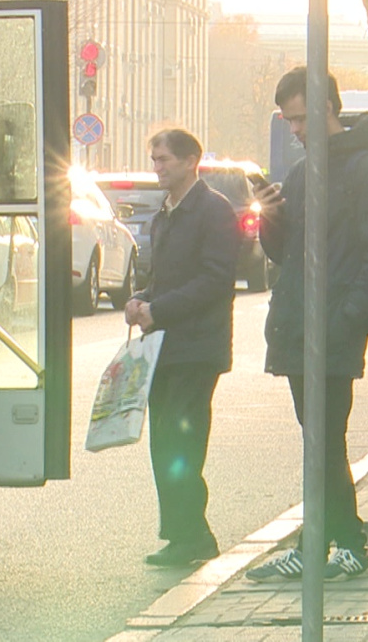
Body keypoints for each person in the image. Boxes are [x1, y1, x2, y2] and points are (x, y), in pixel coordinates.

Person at [246, 67, 368, 582]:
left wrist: (344, 319)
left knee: (323, 441)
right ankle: (325, 547)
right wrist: (270, 218)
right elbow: (286, 253)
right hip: (300, 327)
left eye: (299, 118)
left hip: (332, 330)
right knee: (319, 442)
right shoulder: (302, 172)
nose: (293, 129)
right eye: (288, 120)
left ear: (327, 109)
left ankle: (338, 547)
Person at [125, 128, 239, 567]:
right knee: (164, 443)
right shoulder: (164, 212)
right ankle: (180, 533)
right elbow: (161, 277)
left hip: (196, 348)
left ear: (192, 160)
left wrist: (161, 309)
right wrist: (138, 300)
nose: (157, 167)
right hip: (163, 347)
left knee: (184, 445)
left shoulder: (213, 210)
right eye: (154, 159)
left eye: (164, 159)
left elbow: (215, 280)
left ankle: (196, 535)